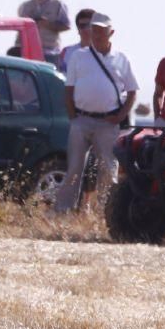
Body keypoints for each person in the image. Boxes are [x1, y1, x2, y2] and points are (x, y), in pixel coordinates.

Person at [54, 13, 138, 213]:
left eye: (101, 30)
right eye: (94, 29)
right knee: (74, 167)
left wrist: (119, 116)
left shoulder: (121, 59)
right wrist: (73, 116)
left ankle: (108, 212)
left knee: (109, 170)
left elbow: (133, 91)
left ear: (111, 32)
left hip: (108, 123)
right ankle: (63, 210)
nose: (97, 34)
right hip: (81, 119)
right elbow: (69, 89)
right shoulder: (78, 56)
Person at [17, 0, 71, 65]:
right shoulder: (26, 6)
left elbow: (67, 25)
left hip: (51, 51)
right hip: (29, 52)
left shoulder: (57, 4)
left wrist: (48, 25)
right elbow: (20, 27)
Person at [58, 8, 95, 74]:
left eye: (89, 25)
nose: (86, 29)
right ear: (78, 29)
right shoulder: (67, 52)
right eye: (82, 26)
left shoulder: (106, 54)